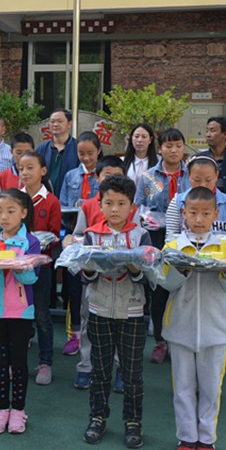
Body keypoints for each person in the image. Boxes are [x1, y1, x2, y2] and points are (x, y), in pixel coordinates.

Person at [161, 187, 226, 450]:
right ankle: (187, 438)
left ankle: (207, 439)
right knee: (183, 388)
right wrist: (181, 269)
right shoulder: (172, 246)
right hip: (179, 326)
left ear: (216, 214)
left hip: (216, 328)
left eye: (206, 213)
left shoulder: (225, 247)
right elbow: (165, 283)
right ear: (183, 213)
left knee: (212, 388)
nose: (199, 219)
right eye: (193, 213)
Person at [80, 175, 151, 449]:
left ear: (132, 206)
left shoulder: (140, 236)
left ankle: (133, 421)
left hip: (132, 311)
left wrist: (134, 267)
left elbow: (147, 278)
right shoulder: (92, 235)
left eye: (122, 203)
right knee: (100, 369)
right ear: (99, 204)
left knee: (132, 372)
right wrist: (89, 267)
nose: (115, 209)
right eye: (108, 203)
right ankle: (97, 417)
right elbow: (85, 276)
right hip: (99, 309)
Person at [0, 189, 42, 435]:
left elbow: (32, 278)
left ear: (23, 213)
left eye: (11, 211)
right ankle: (2, 409)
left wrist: (18, 263)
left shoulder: (30, 242)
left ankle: (18, 410)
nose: (4, 216)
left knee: (19, 362)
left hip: (21, 312)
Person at [70, 156, 135, 390]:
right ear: (97, 178)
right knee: (89, 323)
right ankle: (86, 367)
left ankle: (120, 368)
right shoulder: (88, 206)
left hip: (124, 284)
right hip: (95, 283)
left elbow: (137, 243)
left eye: (118, 175)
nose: (115, 208)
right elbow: (78, 235)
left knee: (121, 327)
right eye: (108, 175)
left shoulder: (132, 208)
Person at [134, 128, 190, 365]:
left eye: (178, 145)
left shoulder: (191, 175)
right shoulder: (149, 177)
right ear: (159, 149)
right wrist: (145, 219)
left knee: (183, 290)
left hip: (186, 239)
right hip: (156, 238)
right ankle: (160, 341)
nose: (173, 150)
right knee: (158, 290)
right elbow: (139, 206)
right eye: (168, 146)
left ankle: (180, 341)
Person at [17, 151, 62, 385]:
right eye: (21, 168)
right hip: (16, 266)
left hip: (41, 267)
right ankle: (17, 362)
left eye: (30, 168)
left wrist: (33, 242)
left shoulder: (51, 201)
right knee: (19, 315)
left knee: (42, 315)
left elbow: (54, 235)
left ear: (43, 171)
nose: (24, 172)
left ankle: (45, 362)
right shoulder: (15, 198)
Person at [59, 131, 102, 356]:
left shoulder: (102, 176)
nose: (86, 158)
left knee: (94, 287)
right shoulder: (71, 176)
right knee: (74, 288)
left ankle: (94, 334)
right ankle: (74, 333)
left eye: (90, 153)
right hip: (74, 234)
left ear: (99, 151)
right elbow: (63, 205)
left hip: (99, 238)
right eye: (81, 153)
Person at [164, 156, 226, 237]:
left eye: (208, 180)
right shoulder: (177, 202)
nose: (203, 185)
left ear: (216, 176)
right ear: (189, 176)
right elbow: (170, 237)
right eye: (197, 180)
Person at [193, 117, 226, 197]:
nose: (208, 135)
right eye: (207, 131)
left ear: (225, 134)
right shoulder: (198, 159)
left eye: (212, 131)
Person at [36, 109, 80, 197]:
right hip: (46, 198)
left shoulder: (77, 147)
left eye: (60, 121)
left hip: (70, 197)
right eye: (52, 122)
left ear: (69, 124)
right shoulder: (42, 148)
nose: (55, 124)